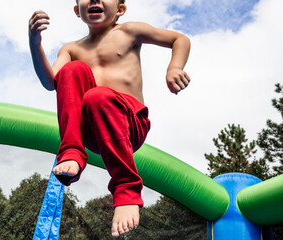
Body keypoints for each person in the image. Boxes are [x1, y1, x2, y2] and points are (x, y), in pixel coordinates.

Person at [28, 0, 191, 238]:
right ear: (77, 11)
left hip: (129, 124)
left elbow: (180, 39)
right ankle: (72, 150)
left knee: (98, 96)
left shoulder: (129, 31)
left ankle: (126, 189)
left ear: (120, 9)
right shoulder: (71, 49)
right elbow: (51, 82)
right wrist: (35, 44)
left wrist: (174, 68)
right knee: (72, 71)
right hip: (91, 132)